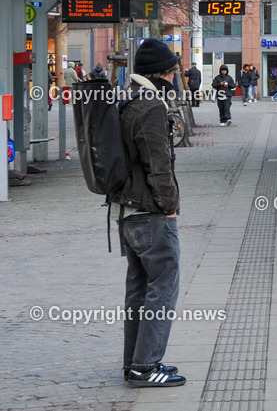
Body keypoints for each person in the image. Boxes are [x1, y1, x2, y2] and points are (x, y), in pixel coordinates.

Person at [118, 38, 186, 387]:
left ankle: (134, 362)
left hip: (127, 212)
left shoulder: (127, 98)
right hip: (150, 213)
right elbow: (158, 164)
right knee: (162, 287)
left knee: (139, 289)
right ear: (162, 73)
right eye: (173, 72)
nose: (175, 78)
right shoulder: (151, 105)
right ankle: (145, 367)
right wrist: (170, 207)